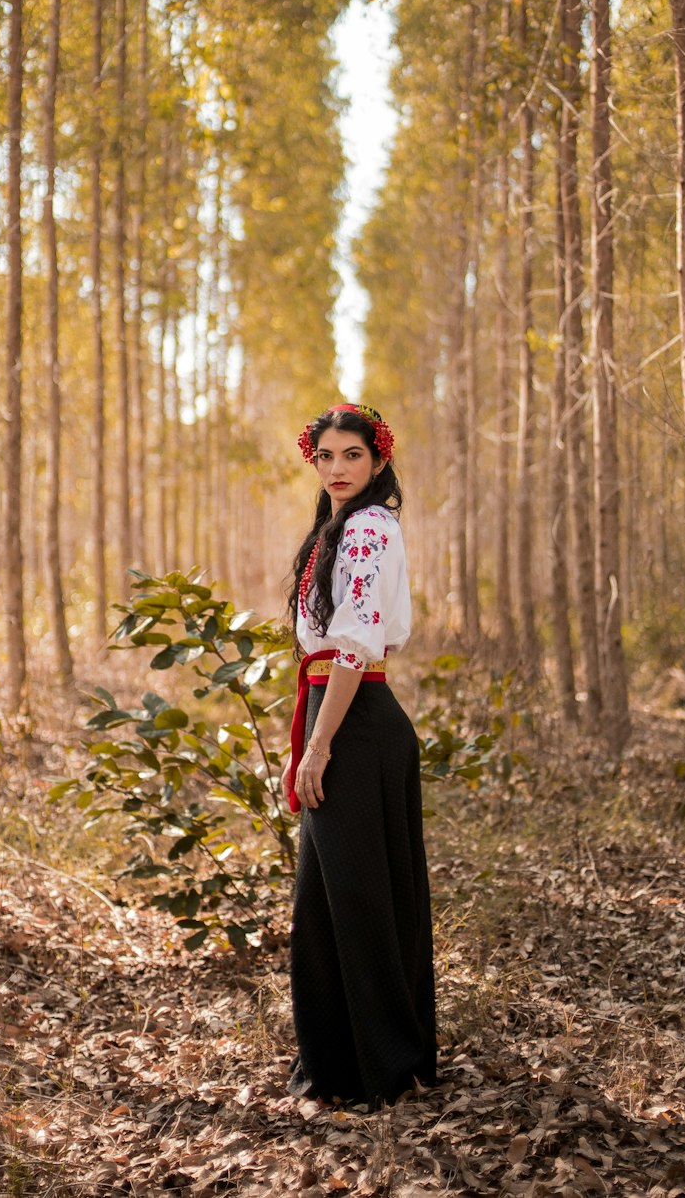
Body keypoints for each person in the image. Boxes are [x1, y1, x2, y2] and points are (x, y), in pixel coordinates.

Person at [283, 402, 436, 1108]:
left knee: (360, 902)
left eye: (352, 455)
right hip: (337, 713)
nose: (338, 468)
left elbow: (353, 644)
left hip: (357, 722)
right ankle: (339, 1064)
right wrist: (312, 736)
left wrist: (320, 746)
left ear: (377, 462)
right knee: (324, 904)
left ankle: (382, 1066)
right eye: (327, 457)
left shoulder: (371, 527)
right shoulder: (337, 529)